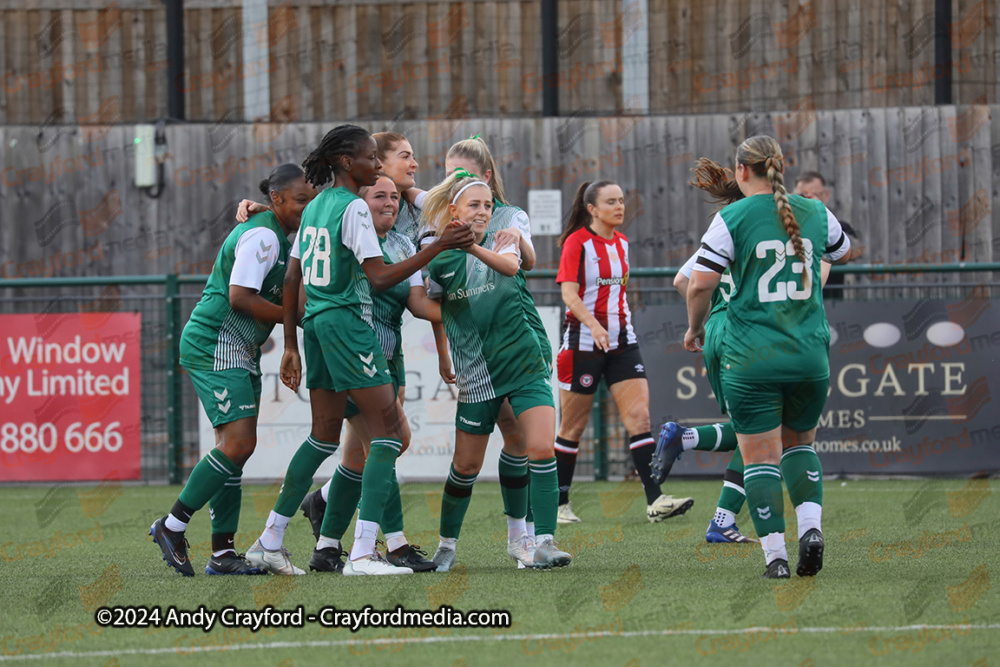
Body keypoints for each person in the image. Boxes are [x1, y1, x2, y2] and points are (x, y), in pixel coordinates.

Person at [244, 124, 474, 576]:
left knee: (323, 437)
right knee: (389, 435)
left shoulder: (314, 207)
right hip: (350, 323)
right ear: (347, 163)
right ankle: (365, 553)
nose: (376, 163)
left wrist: (291, 343)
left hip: (316, 326)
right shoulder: (352, 209)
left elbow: (293, 280)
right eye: (371, 157)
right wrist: (441, 244)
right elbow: (380, 278)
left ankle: (269, 539)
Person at [682, 136, 851, 579]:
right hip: (808, 353)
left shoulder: (731, 216)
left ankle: (776, 558)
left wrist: (695, 328)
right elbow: (841, 250)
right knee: (801, 445)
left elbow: (698, 285)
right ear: (780, 166)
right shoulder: (815, 210)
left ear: (740, 172)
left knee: (759, 458)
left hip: (751, 356)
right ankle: (810, 531)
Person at [149, 163, 317, 576]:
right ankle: (171, 525)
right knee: (239, 444)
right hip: (216, 342)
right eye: (300, 200)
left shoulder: (273, 230)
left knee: (234, 449)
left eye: (311, 200)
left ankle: (223, 554)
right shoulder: (263, 234)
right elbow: (240, 297)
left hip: (238, 347)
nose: (307, 208)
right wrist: (293, 318)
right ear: (277, 199)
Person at [424, 171, 571, 570]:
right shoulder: (437, 257)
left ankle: (542, 541)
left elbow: (509, 269)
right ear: (453, 209)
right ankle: (447, 546)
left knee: (540, 448)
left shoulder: (505, 238)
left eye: (488, 205)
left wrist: (477, 247)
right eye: (474, 204)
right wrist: (443, 353)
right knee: (466, 466)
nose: (484, 211)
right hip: (477, 373)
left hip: (524, 361)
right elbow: (429, 308)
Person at [294, 176, 440, 573]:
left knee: (370, 449)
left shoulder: (402, 244)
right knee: (387, 441)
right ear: (360, 199)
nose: (390, 202)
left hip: (386, 359)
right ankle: (381, 546)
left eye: (395, 197)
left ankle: (325, 541)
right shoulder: (347, 226)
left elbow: (417, 303)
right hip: (350, 355)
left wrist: (463, 310)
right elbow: (310, 285)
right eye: (380, 195)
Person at [553, 180, 693, 525]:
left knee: (640, 419)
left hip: (623, 344)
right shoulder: (577, 243)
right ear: (592, 209)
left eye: (621, 200)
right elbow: (570, 295)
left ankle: (656, 501)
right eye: (611, 202)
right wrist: (594, 325)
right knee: (572, 427)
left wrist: (614, 328)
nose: (620, 207)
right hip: (583, 343)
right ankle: (557, 504)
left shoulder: (623, 243)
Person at [793, 171, 859, 301]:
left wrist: (817, 214)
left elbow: (856, 250)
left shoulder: (839, 227)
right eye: (801, 195)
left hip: (831, 300)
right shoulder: (784, 228)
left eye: (813, 195)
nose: (806, 200)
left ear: (826, 195)